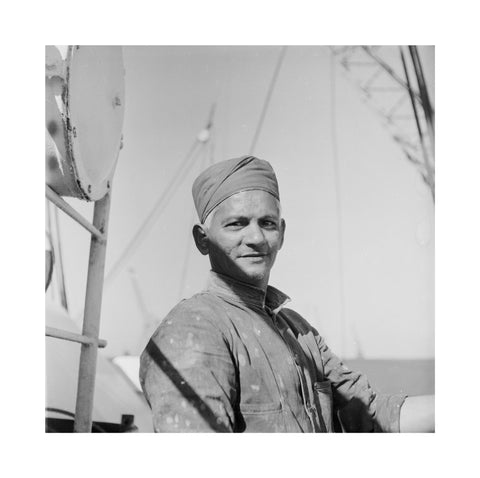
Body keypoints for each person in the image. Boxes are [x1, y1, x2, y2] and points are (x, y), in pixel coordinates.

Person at [139, 155, 434, 433]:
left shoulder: (298, 331)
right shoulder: (196, 327)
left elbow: (370, 414)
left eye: (266, 223)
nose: (255, 238)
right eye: (236, 224)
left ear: (281, 234)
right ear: (203, 240)